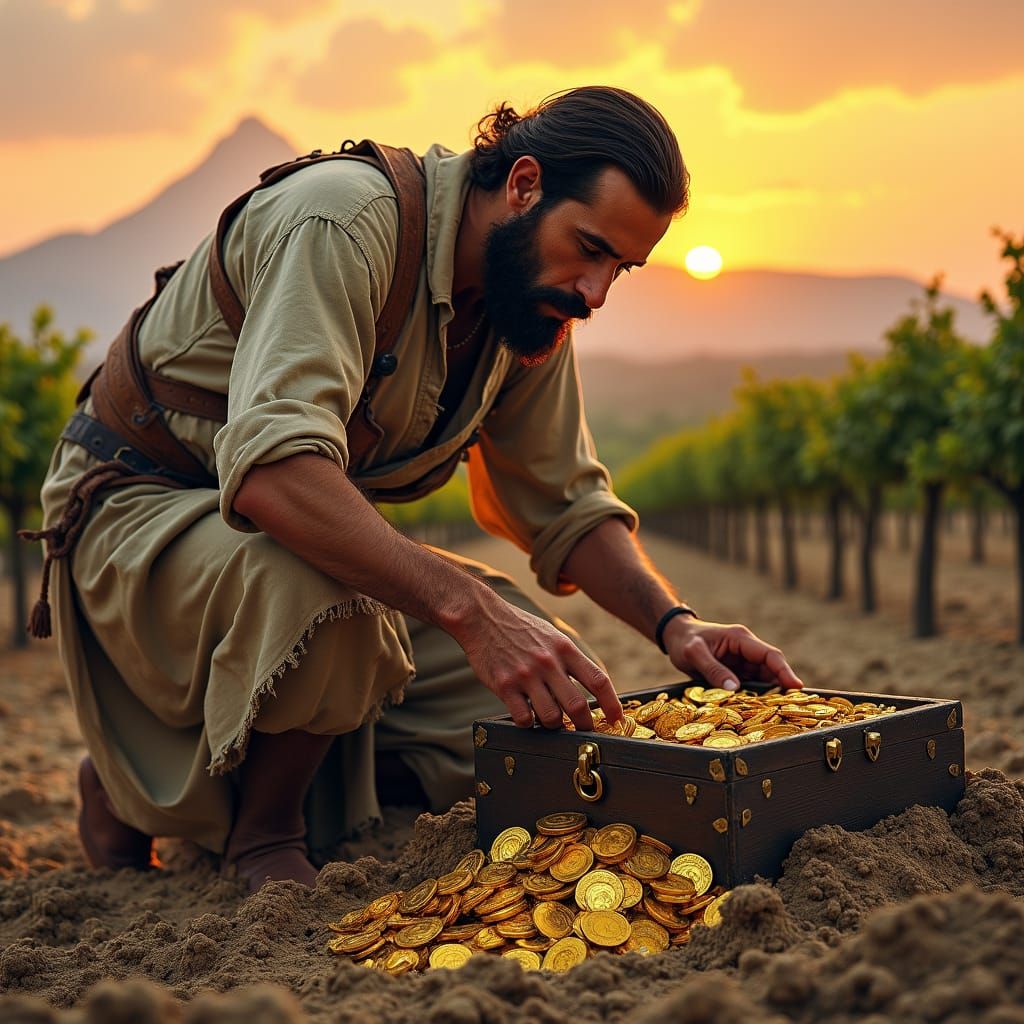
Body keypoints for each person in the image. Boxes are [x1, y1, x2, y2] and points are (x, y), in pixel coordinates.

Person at [37, 86, 802, 893]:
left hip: (271, 541)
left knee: (539, 690)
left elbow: (565, 504)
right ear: (523, 184)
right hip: (137, 514)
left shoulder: (525, 309)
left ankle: (155, 777)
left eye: (623, 267)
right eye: (590, 247)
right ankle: (261, 836)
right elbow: (272, 475)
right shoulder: (342, 223)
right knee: (332, 594)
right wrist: (469, 611)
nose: (597, 292)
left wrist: (674, 624)